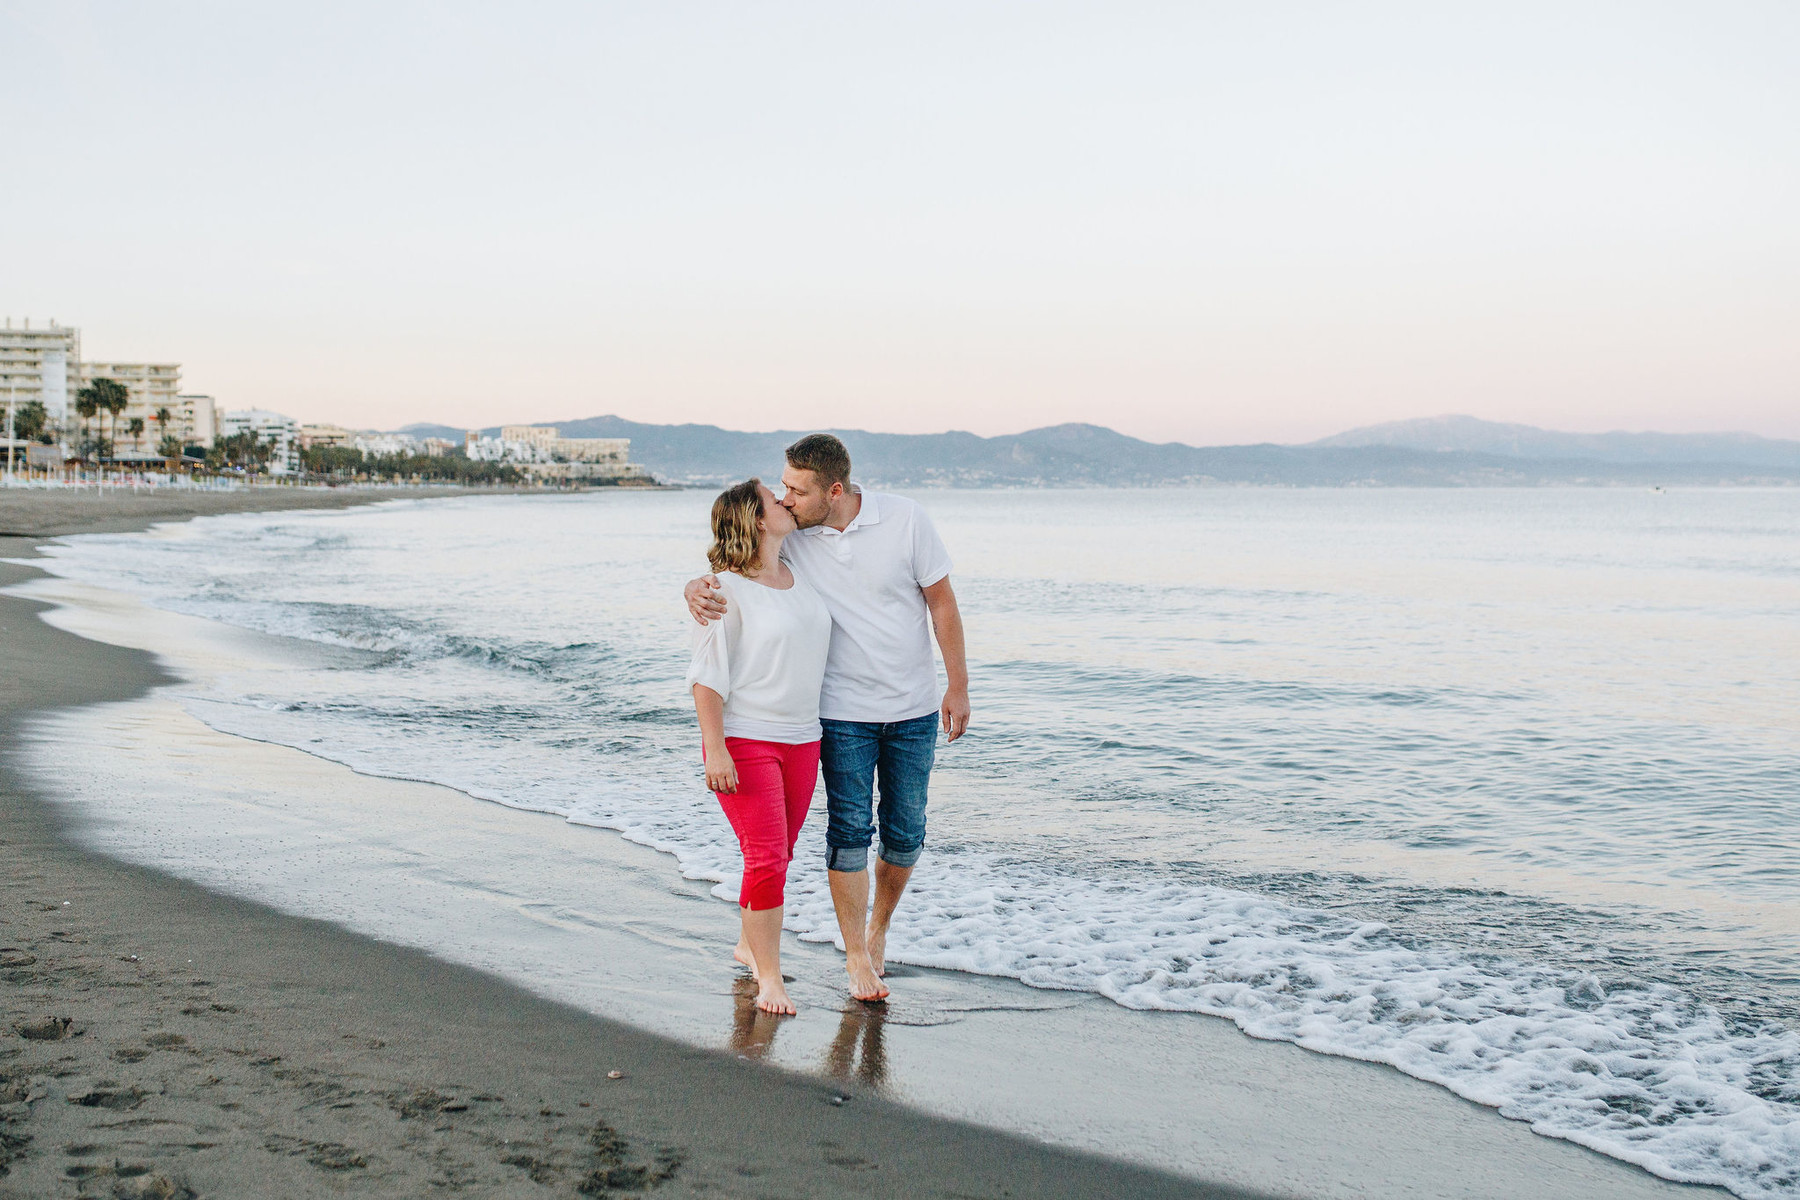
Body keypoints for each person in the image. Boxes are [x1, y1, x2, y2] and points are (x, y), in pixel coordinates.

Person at [686, 434, 969, 1002]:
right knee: (840, 835)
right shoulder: (793, 539)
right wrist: (693, 587)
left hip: (904, 709)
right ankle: (849, 958)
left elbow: (941, 601)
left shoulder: (905, 520)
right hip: (835, 717)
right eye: (781, 489)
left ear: (833, 490)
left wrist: (957, 687)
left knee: (905, 833)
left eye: (796, 488)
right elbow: (733, 571)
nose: (787, 498)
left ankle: (875, 930)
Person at [686, 478, 832, 1015]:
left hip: (803, 739)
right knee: (766, 856)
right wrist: (715, 747)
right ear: (753, 518)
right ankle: (768, 976)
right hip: (746, 740)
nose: (787, 502)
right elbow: (706, 677)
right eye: (776, 499)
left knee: (779, 856)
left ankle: (749, 941)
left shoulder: (801, 571)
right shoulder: (724, 589)